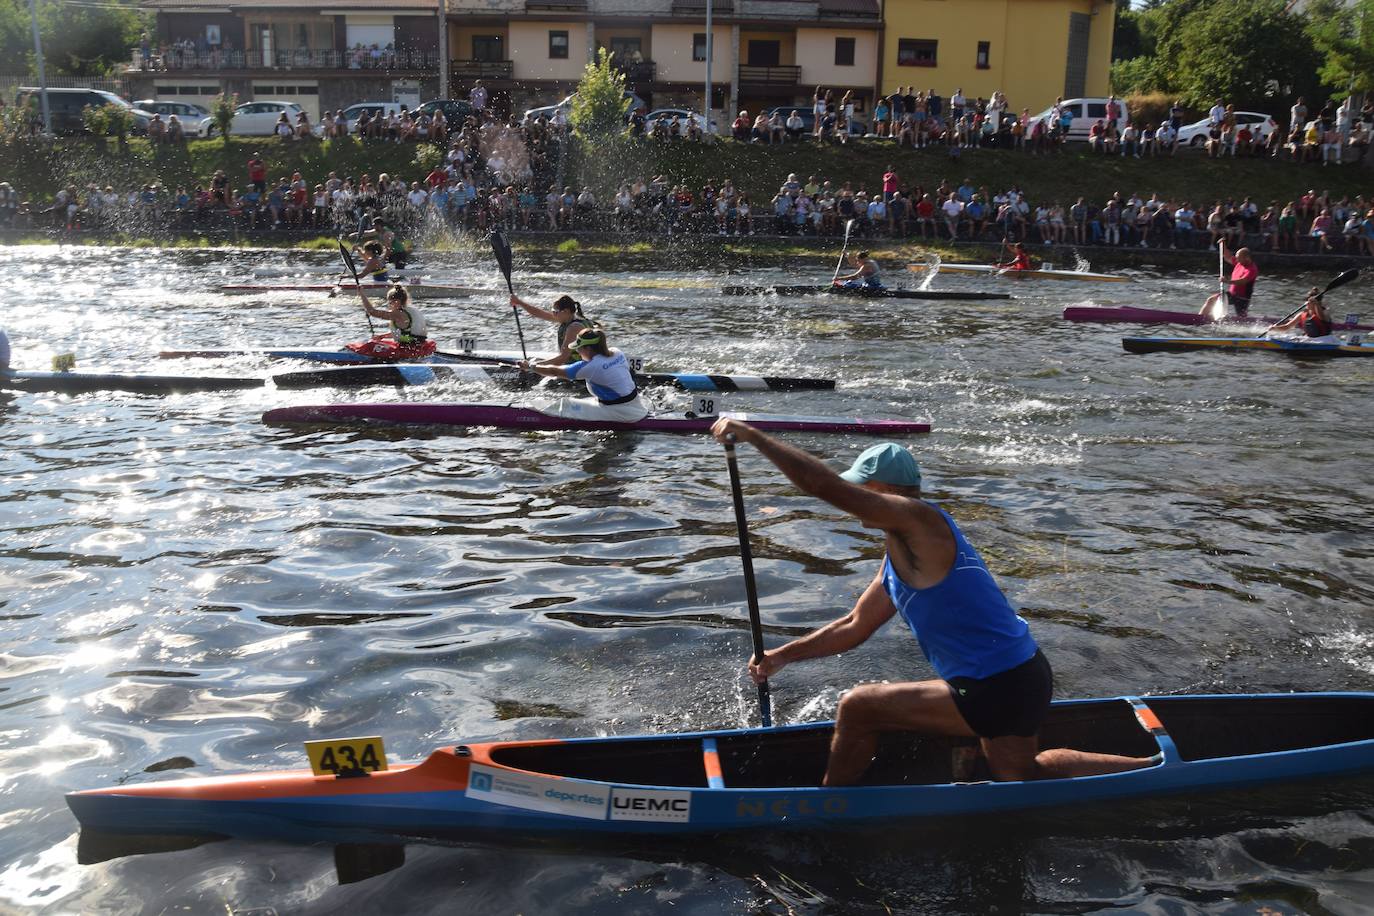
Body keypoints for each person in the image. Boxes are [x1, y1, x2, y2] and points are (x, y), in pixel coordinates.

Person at [708, 422, 1159, 786]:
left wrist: (752, 436)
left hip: (999, 685)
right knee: (1022, 773)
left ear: (887, 489)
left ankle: (830, 801)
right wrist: (781, 657)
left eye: (864, 487)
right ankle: (1151, 769)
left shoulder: (920, 520)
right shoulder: (899, 550)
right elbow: (855, 625)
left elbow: (822, 486)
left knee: (858, 706)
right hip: (1012, 677)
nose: (855, 496)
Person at [518, 326, 647, 422]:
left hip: (619, 412)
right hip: (635, 404)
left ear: (588, 349)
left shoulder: (590, 367)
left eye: (579, 348)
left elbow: (554, 371)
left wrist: (530, 366)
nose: (578, 352)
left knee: (566, 404)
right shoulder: (617, 352)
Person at [345, 285, 434, 361]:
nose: (389, 305)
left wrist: (362, 295)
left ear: (397, 302)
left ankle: (350, 354)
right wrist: (382, 336)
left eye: (390, 302)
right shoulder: (413, 311)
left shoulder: (398, 313)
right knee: (383, 342)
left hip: (408, 351)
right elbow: (406, 334)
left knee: (370, 344)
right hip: (422, 347)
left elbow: (372, 312)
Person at [510, 293, 592, 365]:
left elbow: (563, 358)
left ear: (566, 311)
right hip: (572, 366)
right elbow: (539, 313)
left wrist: (532, 366)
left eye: (555, 311)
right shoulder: (568, 319)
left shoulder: (575, 327)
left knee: (543, 378)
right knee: (532, 359)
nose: (553, 314)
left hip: (580, 370)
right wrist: (519, 302)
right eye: (553, 311)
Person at [1199, 241, 1257, 318]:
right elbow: (1228, 257)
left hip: (1242, 298)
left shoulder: (1252, 269)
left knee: (1242, 318)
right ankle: (1200, 318)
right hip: (1232, 294)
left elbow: (1243, 281)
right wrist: (1223, 245)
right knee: (1211, 300)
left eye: (1239, 258)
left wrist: (1227, 281)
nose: (1237, 260)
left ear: (1247, 258)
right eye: (1236, 258)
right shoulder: (1240, 262)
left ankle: (1249, 324)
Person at [1269, 287, 1334, 338]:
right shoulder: (1301, 315)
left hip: (1326, 340)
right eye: (1307, 301)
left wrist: (1316, 304)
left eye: (1309, 302)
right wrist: (1275, 328)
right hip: (1311, 341)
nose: (1306, 303)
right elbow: (1287, 327)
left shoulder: (1325, 312)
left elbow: (1321, 318)